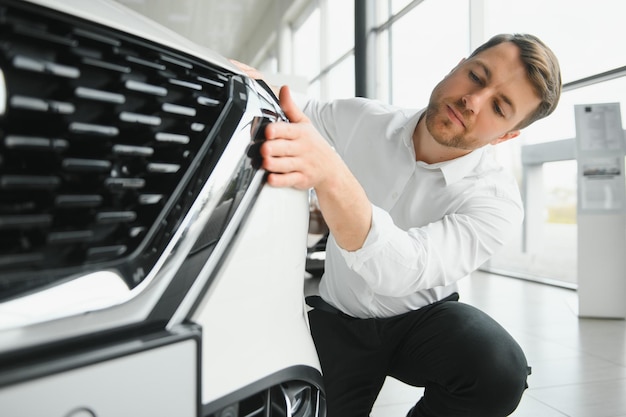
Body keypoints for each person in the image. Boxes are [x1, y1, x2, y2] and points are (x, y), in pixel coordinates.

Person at [235, 33, 561, 417]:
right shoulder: (365, 119)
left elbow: (399, 268)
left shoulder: (497, 201)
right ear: (457, 66)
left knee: (497, 369)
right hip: (341, 316)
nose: (473, 101)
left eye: (500, 107)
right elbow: (294, 108)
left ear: (507, 135)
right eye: (476, 76)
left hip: (422, 323)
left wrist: (331, 175)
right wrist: (249, 83)